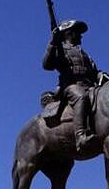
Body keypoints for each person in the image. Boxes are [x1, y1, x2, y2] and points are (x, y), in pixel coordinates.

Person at [42, 19, 101, 152]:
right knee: (81, 97)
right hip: (70, 86)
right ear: (69, 33)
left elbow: (94, 71)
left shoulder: (85, 54)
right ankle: (81, 136)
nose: (80, 35)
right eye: (77, 32)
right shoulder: (61, 49)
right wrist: (53, 43)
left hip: (90, 86)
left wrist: (101, 76)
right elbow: (47, 65)